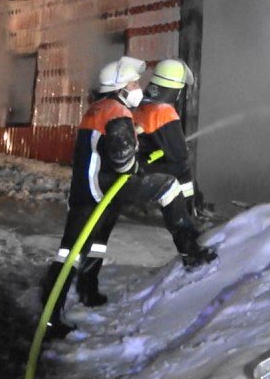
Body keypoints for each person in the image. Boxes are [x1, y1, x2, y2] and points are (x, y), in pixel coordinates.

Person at [40, 55, 216, 339]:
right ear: (120, 87)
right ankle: (190, 251)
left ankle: (83, 292)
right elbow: (123, 159)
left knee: (82, 246)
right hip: (103, 186)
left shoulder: (98, 108)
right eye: (133, 83)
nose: (138, 88)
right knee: (168, 187)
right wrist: (139, 163)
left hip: (84, 190)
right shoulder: (117, 112)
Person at [132, 59, 200, 214]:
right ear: (177, 89)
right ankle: (186, 212)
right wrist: (181, 146)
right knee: (182, 169)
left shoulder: (143, 104)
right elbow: (179, 154)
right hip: (144, 167)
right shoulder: (165, 112)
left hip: (137, 162)